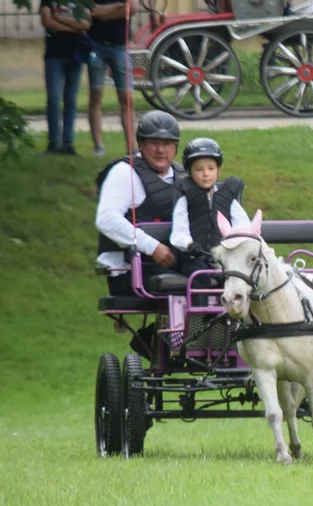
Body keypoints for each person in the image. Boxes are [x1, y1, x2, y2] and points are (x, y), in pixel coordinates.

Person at [95, 110, 185, 297]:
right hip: (130, 271)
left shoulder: (184, 175)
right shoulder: (123, 173)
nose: (160, 150)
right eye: (154, 143)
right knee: (196, 284)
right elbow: (106, 219)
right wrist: (152, 247)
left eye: (167, 143)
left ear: (176, 147)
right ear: (141, 145)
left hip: (175, 264)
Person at [169, 137, 250, 305]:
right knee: (200, 275)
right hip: (194, 258)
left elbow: (244, 227)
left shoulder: (228, 197)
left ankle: (232, 317)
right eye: (199, 169)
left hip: (223, 257)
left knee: (235, 276)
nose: (206, 174)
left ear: (218, 170)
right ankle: (200, 317)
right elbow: (179, 231)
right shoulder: (186, 198)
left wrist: (237, 243)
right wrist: (189, 245)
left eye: (211, 168)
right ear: (189, 172)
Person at [38, 0, 90, 155]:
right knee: (54, 98)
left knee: (71, 99)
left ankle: (68, 143)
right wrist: (74, 27)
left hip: (75, 54)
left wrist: (59, 20)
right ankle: (54, 143)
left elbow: (86, 23)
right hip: (54, 55)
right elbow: (46, 20)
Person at [86, 0, 137, 157]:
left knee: (127, 99)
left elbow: (133, 8)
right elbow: (90, 12)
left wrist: (103, 14)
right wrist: (118, 7)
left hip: (120, 47)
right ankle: (98, 145)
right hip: (96, 45)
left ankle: (132, 148)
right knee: (96, 95)